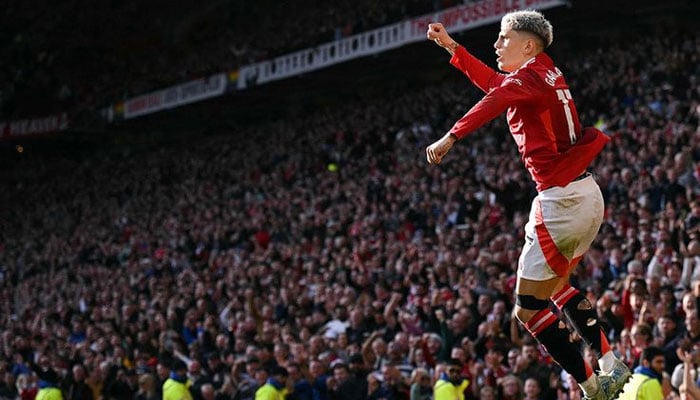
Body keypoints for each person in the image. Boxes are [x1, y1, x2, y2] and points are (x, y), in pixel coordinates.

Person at [425, 10, 630, 400]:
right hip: (586, 194)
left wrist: (450, 137)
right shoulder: (545, 71)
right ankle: (608, 363)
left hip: (561, 202)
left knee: (528, 311)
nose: (497, 44)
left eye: (504, 38)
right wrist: (452, 47)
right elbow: (496, 86)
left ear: (528, 45)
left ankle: (593, 387)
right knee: (557, 288)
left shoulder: (530, 78)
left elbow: (492, 101)